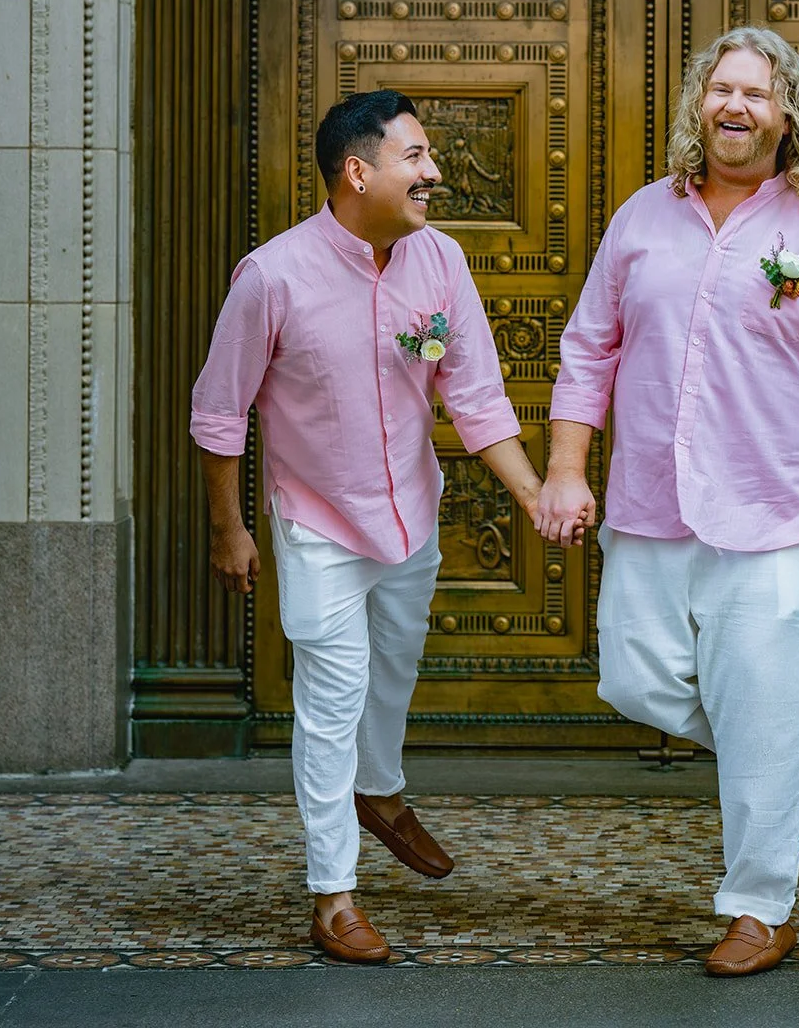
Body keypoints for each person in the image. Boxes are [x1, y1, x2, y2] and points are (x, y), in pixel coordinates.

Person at [535, 26, 799, 977]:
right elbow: (588, 351)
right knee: (633, 680)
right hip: (649, 506)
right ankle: (771, 743)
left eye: (757, 94)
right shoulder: (642, 218)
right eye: (721, 89)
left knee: (768, 714)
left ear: (789, 118)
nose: (735, 107)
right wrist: (568, 470)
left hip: (773, 518)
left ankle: (759, 909)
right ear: (699, 103)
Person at [191, 90, 543, 964]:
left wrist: (533, 496)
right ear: (358, 170)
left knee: (393, 671)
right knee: (331, 699)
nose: (434, 174)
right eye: (416, 157)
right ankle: (333, 895)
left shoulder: (441, 263)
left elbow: (474, 395)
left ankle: (378, 791)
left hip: (410, 514)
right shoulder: (272, 275)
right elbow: (218, 413)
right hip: (317, 524)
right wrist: (228, 531)